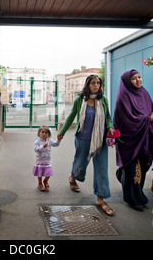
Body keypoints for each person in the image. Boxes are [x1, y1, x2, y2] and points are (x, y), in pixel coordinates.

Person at [58, 74, 115, 216]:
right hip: (83, 138)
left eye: (98, 83)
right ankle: (73, 176)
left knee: (102, 169)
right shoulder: (80, 99)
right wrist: (62, 132)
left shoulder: (103, 100)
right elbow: (71, 116)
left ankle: (100, 199)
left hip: (100, 139)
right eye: (93, 83)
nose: (96, 85)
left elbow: (108, 116)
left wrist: (109, 127)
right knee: (80, 164)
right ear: (88, 85)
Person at [113, 69, 153, 211]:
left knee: (143, 167)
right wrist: (149, 120)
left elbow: (150, 111)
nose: (138, 80)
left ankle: (126, 180)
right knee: (133, 170)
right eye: (134, 78)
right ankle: (133, 199)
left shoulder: (144, 93)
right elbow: (127, 121)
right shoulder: (123, 96)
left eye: (139, 77)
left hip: (145, 137)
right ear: (128, 81)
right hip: (130, 140)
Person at [33, 125, 60, 192]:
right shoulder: (37, 141)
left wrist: (59, 140)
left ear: (49, 134)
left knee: (48, 173)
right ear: (39, 133)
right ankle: (40, 183)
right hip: (40, 161)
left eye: (46, 132)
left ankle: (45, 181)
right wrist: (43, 147)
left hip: (47, 161)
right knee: (40, 173)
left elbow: (55, 144)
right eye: (42, 132)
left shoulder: (49, 140)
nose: (44, 134)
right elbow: (36, 149)